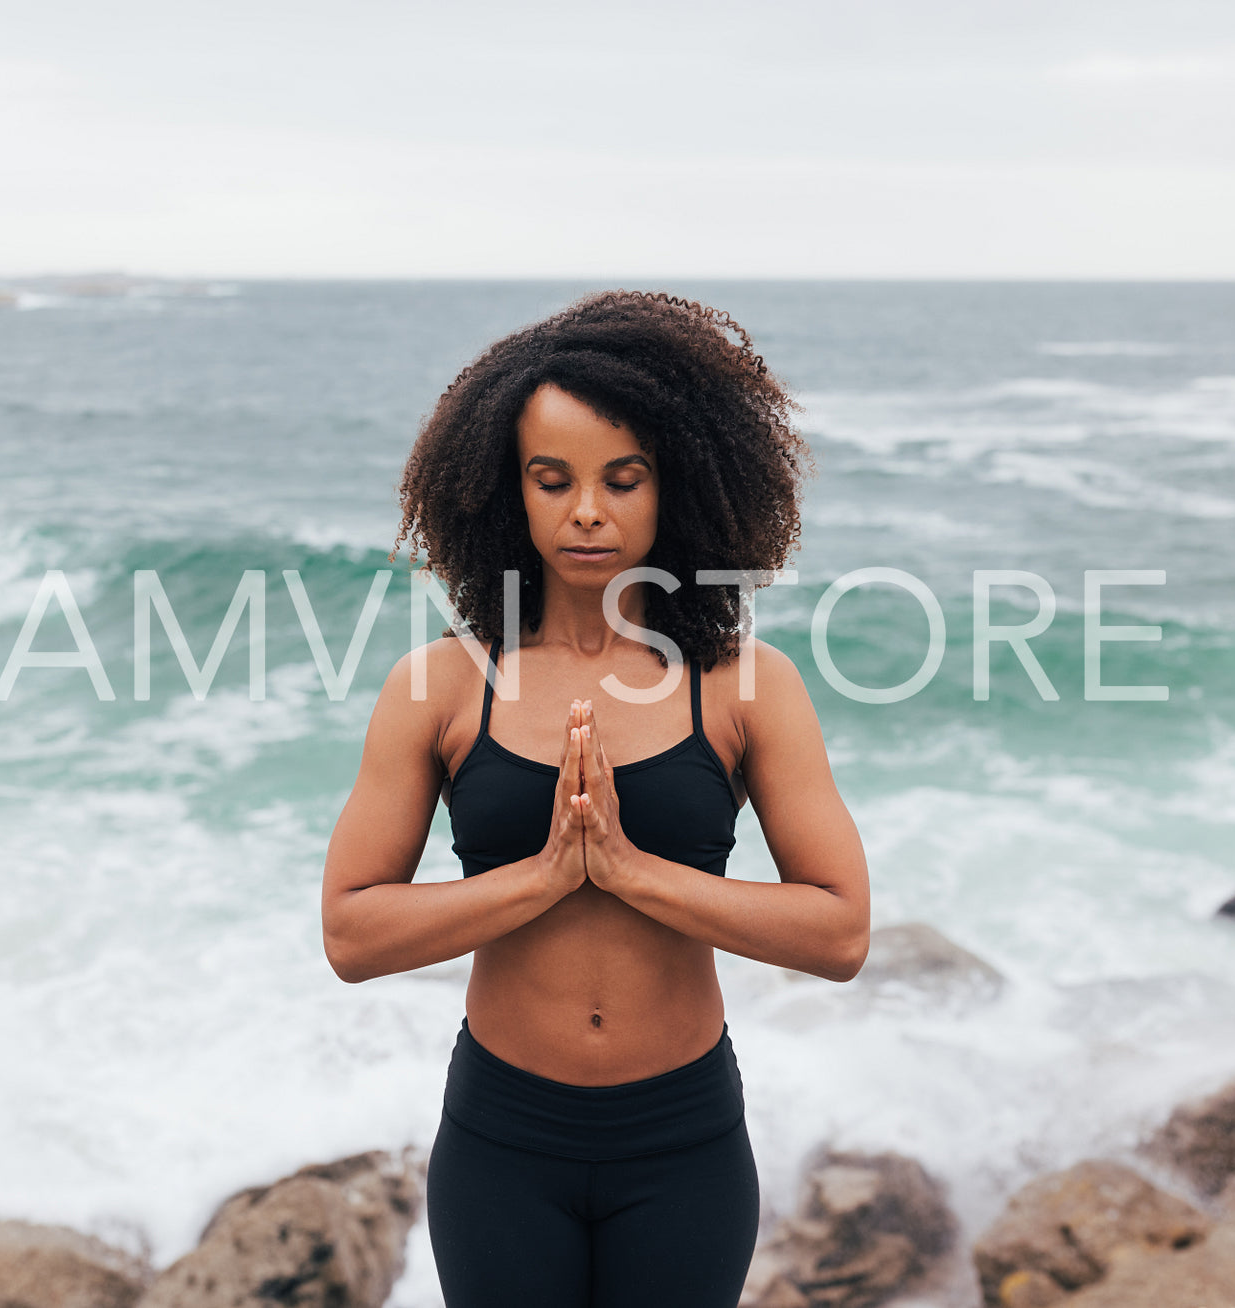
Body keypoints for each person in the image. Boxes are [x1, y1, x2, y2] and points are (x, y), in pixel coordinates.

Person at [321, 289, 871, 1308]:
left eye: (623, 480)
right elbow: (352, 934)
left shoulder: (746, 685)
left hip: (682, 1145)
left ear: (679, 489)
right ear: (504, 493)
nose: (585, 511)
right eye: (551, 479)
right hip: (501, 1142)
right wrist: (543, 878)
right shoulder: (439, 688)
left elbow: (837, 933)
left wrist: (630, 874)